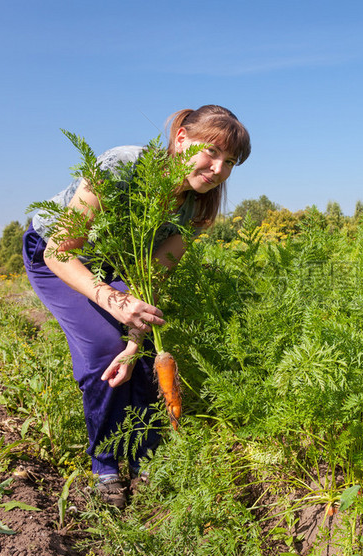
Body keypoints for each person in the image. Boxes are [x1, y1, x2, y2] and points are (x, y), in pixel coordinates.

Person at [22, 105, 251, 508]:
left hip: (119, 263)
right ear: (181, 138)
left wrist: (133, 337)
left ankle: (150, 458)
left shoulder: (199, 206)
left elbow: (154, 273)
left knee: (142, 354)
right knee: (99, 349)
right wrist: (112, 301)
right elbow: (60, 252)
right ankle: (105, 465)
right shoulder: (122, 166)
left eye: (230, 162)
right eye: (212, 152)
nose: (218, 169)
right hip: (56, 255)